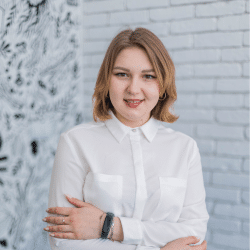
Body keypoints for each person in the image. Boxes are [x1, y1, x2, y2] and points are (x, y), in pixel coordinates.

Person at [43, 27, 209, 250]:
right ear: (106, 80)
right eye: (122, 74)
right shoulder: (75, 142)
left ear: (162, 85)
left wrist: (111, 227)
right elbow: (63, 241)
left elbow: (193, 234)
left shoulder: (185, 149)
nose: (133, 89)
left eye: (148, 76)